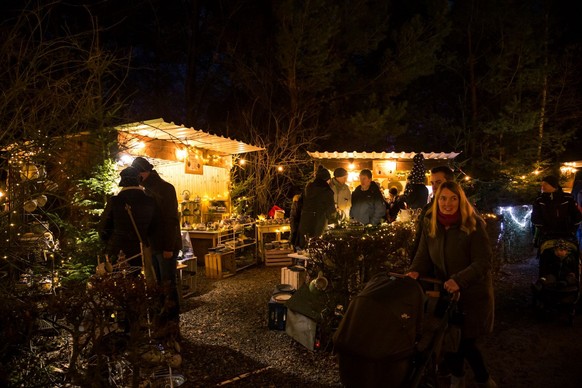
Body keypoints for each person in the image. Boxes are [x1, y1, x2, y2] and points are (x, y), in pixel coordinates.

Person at [407, 181, 496, 388]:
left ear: (460, 200)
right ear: (437, 200)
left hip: (473, 295)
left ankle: (483, 379)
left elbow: (483, 261)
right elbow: (423, 256)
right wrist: (415, 271)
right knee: (448, 340)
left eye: (453, 198)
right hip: (445, 294)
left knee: (466, 342)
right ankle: (458, 378)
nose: (448, 203)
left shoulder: (473, 224)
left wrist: (459, 280)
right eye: (443, 198)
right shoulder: (431, 222)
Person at [131, 156, 183, 333]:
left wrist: (169, 246)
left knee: (168, 283)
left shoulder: (165, 189)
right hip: (154, 244)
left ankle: (172, 320)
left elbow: (170, 220)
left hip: (165, 245)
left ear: (143, 172)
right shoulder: (145, 189)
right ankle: (163, 319)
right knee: (159, 284)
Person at [98, 166, 158, 268]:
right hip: (139, 250)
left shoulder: (115, 201)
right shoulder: (150, 201)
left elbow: (103, 228)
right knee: (137, 278)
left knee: (118, 280)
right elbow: (154, 227)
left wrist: (106, 242)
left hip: (118, 250)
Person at [409, 166, 455, 261]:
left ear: (450, 183)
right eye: (432, 183)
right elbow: (419, 240)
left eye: (439, 182)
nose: (434, 187)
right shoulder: (428, 210)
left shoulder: (465, 209)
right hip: (432, 266)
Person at [531, 175, 581, 245]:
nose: (542, 187)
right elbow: (535, 217)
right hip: (547, 236)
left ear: (553, 185)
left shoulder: (567, 198)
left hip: (567, 235)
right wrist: (545, 230)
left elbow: (576, 215)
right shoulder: (539, 200)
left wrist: (572, 230)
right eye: (542, 185)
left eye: (545, 184)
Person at [297, 165, 336, 248]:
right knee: (317, 247)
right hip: (319, 223)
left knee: (305, 246)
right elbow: (331, 210)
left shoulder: (308, 188)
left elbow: (300, 204)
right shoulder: (327, 191)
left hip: (305, 221)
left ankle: (303, 261)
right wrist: (334, 220)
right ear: (326, 179)